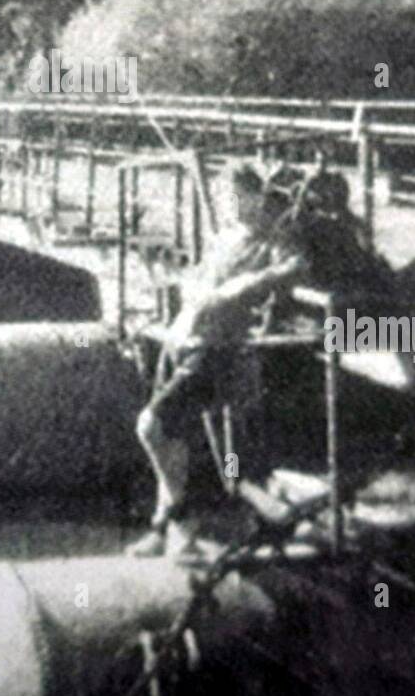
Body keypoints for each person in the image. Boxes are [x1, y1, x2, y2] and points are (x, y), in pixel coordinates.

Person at [128, 161, 313, 559]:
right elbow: (197, 280)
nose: (226, 204)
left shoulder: (274, 238)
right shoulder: (223, 237)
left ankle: (182, 520)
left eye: (233, 196)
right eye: (221, 196)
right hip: (185, 340)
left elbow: (295, 267)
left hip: (219, 351)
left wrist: (236, 288)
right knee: (171, 436)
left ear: (256, 195)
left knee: (152, 426)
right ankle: (167, 529)